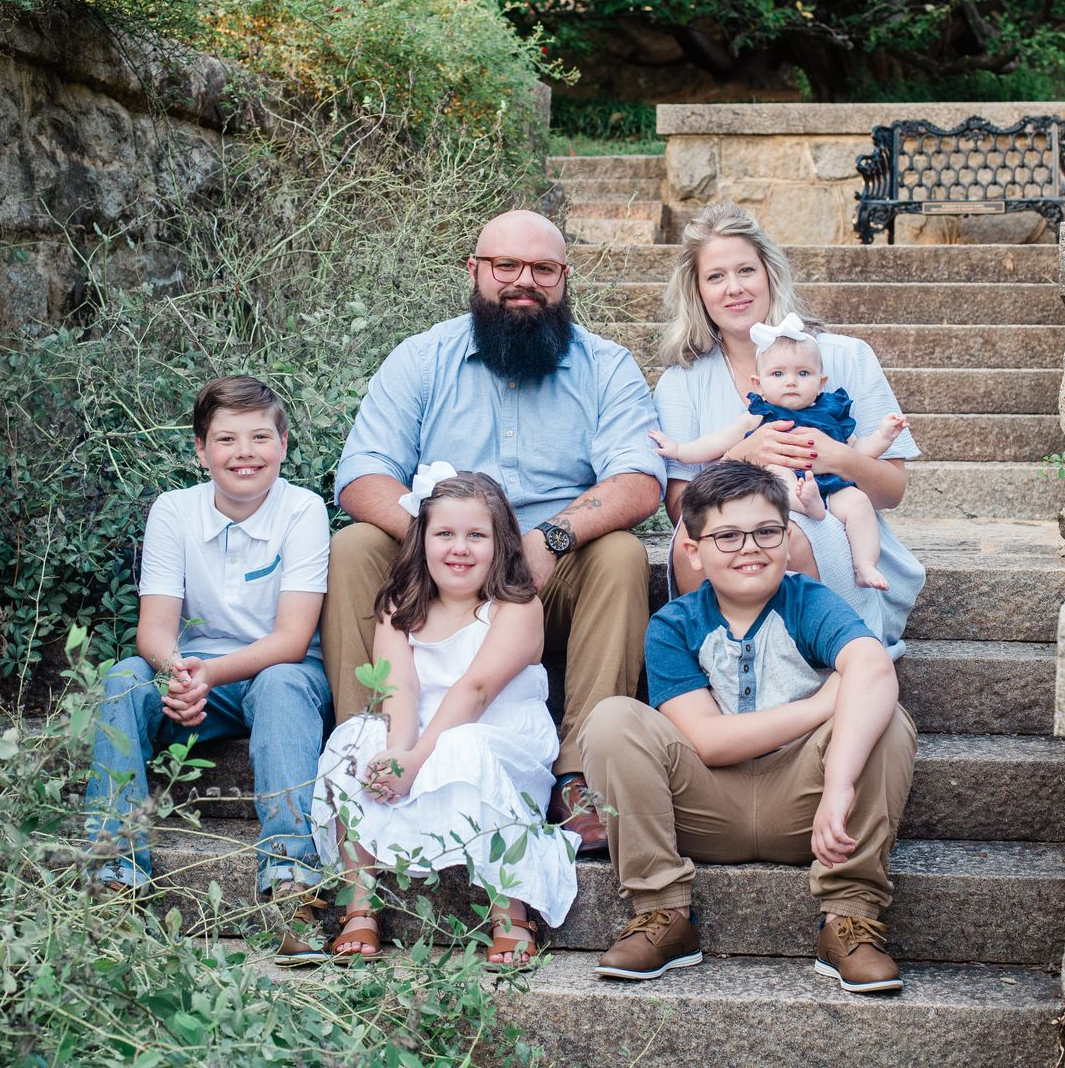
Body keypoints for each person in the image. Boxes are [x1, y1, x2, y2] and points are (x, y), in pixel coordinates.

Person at [321, 209, 665, 853]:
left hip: (548, 579)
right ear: (475, 271)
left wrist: (548, 539)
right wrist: (444, 542)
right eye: (506, 265)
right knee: (354, 546)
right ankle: (362, 752)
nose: (523, 281)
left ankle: (580, 774)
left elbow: (639, 481)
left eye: (543, 269)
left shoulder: (607, 367)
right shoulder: (423, 360)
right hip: (439, 580)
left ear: (566, 278)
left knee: (619, 554)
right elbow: (361, 476)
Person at [579, 461, 917, 990]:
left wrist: (840, 785)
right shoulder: (674, 624)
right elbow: (708, 742)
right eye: (728, 535)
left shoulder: (809, 601)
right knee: (612, 718)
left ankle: (850, 917)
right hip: (705, 808)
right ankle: (663, 913)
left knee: (885, 721)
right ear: (694, 550)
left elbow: (872, 669)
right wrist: (818, 707)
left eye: (766, 532)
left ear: (787, 539)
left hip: (811, 809)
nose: (750, 548)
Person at [85, 376, 334, 965]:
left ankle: (290, 888)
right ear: (201, 450)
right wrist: (178, 674)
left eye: (258, 437)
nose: (243, 452)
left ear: (283, 443)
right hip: (196, 677)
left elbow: (293, 638)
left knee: (280, 685)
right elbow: (154, 632)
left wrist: (208, 675)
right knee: (122, 680)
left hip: (281, 672)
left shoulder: (303, 509)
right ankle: (117, 878)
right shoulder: (174, 510)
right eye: (225, 439)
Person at [312, 467, 579, 966]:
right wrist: (396, 752)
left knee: (464, 746)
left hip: (499, 736)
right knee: (354, 739)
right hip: (419, 728)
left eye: (477, 536)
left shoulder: (516, 608)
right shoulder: (400, 604)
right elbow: (400, 686)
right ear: (422, 541)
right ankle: (360, 906)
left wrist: (416, 760)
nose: (460, 548)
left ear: (502, 545)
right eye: (445, 534)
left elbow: (474, 691)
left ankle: (511, 910)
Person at [653, 201, 924, 656]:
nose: (734, 288)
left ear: (769, 274)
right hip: (733, 540)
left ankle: (819, 661)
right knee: (696, 541)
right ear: (697, 291)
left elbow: (891, 491)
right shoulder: (681, 383)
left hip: (839, 527)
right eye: (715, 277)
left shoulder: (845, 357)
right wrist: (743, 456)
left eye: (746, 271)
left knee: (789, 535)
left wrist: (837, 456)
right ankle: (720, 661)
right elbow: (680, 508)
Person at [650, 314, 910, 590]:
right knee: (776, 471)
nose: (791, 381)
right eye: (778, 374)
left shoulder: (831, 413)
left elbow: (859, 451)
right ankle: (803, 504)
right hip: (781, 485)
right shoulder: (759, 415)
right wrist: (679, 450)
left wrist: (884, 435)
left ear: (821, 382)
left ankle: (865, 564)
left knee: (858, 503)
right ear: (758, 384)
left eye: (803, 373)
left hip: (829, 489)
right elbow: (716, 443)